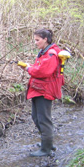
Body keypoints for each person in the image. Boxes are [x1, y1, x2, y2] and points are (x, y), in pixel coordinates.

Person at [22, 29, 64, 157]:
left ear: (45, 39)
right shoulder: (45, 52)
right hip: (39, 89)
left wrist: (28, 68)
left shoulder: (51, 54)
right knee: (36, 117)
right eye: (34, 40)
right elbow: (40, 68)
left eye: (37, 40)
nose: (35, 43)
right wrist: (30, 67)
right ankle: (47, 143)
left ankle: (46, 149)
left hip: (45, 90)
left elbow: (43, 72)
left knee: (44, 120)